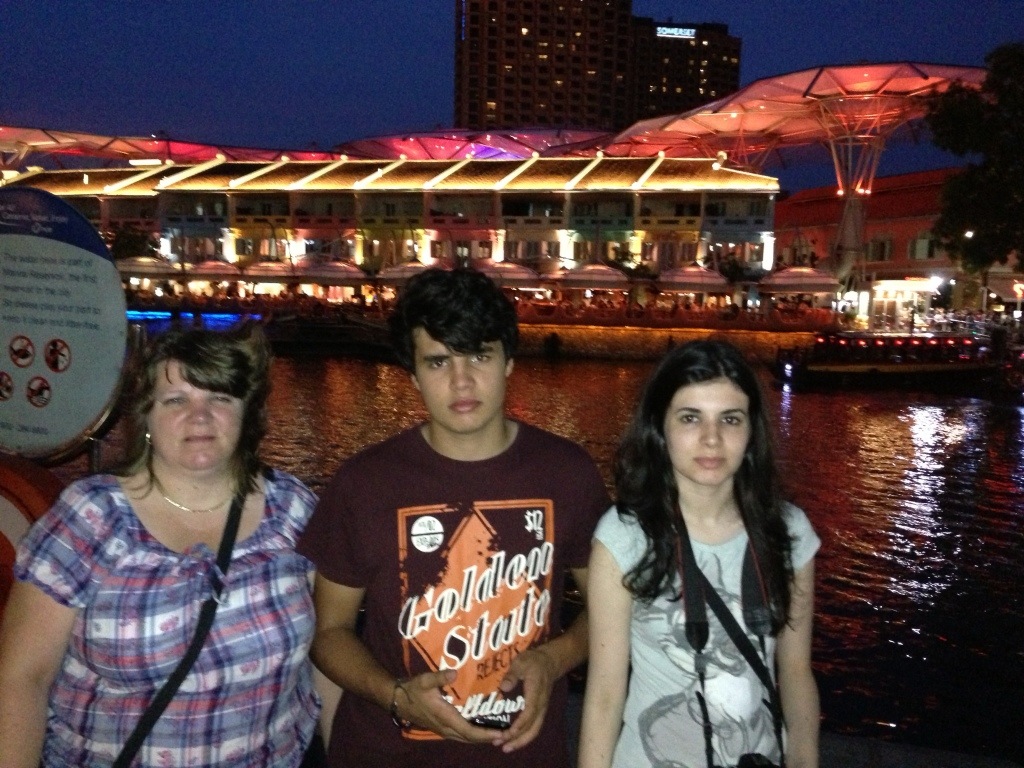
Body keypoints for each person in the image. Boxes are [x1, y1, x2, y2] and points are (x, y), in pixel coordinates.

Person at [298, 267, 610, 768]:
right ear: (413, 373)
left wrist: (553, 659)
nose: (461, 381)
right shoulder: (363, 483)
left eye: (479, 355)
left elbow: (610, 609)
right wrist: (396, 696)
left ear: (509, 362)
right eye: (439, 361)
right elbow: (329, 631)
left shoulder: (566, 473)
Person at [0, 321, 322, 767]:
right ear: (146, 416)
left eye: (220, 398)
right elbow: (22, 678)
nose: (200, 416)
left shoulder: (293, 510)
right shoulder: (90, 518)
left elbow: (326, 650)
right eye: (176, 400)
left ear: (247, 414)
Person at [579, 339, 820, 768]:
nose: (712, 439)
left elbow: (796, 673)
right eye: (690, 418)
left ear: (751, 431)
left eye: (730, 419)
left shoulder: (788, 533)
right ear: (660, 428)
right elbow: (604, 694)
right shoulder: (625, 537)